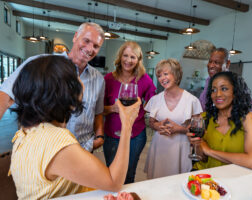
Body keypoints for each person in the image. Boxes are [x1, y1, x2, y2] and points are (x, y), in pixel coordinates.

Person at [9, 55, 141, 199]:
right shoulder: (55, 140)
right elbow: (113, 182)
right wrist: (127, 123)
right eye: (74, 75)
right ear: (63, 91)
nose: (80, 79)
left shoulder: (27, 130)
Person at [0, 22, 105, 152]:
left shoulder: (99, 79)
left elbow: (98, 112)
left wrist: (99, 137)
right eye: (86, 41)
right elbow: (5, 96)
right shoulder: (41, 64)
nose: (90, 49)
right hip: (43, 150)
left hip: (82, 148)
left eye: (96, 46)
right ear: (75, 36)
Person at [102, 41, 156, 184]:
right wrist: (114, 108)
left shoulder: (145, 79)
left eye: (133, 57)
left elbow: (153, 101)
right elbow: (99, 109)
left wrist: (141, 110)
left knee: (129, 174)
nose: (128, 60)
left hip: (135, 135)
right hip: (112, 135)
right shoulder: (108, 79)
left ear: (138, 60)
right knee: (111, 174)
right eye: (125, 56)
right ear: (120, 57)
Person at [189, 71, 252, 170]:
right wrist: (197, 144)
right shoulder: (204, 118)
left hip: (233, 179)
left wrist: (210, 151)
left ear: (235, 92)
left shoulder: (248, 118)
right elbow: (203, 158)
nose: (217, 94)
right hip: (204, 177)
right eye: (213, 90)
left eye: (224, 89)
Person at [144, 59, 202, 179]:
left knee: (177, 184)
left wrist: (180, 129)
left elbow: (198, 130)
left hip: (180, 148)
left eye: (166, 74)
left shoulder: (191, 100)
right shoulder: (155, 99)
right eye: (159, 75)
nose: (162, 78)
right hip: (159, 147)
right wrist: (157, 126)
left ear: (176, 75)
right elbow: (151, 122)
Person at [199, 47, 252, 118]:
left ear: (227, 64)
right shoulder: (209, 80)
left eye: (216, 62)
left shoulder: (235, 82)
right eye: (210, 61)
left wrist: (228, 124)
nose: (211, 65)